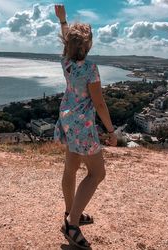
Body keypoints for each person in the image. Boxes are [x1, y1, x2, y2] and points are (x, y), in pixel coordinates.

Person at [54, 4, 117, 249]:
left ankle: (71, 212)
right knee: (97, 173)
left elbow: (69, 43)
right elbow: (100, 104)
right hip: (83, 124)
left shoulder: (66, 62)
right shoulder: (90, 69)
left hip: (68, 119)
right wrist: (111, 132)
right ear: (88, 46)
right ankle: (72, 224)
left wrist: (63, 21)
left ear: (68, 45)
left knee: (71, 168)